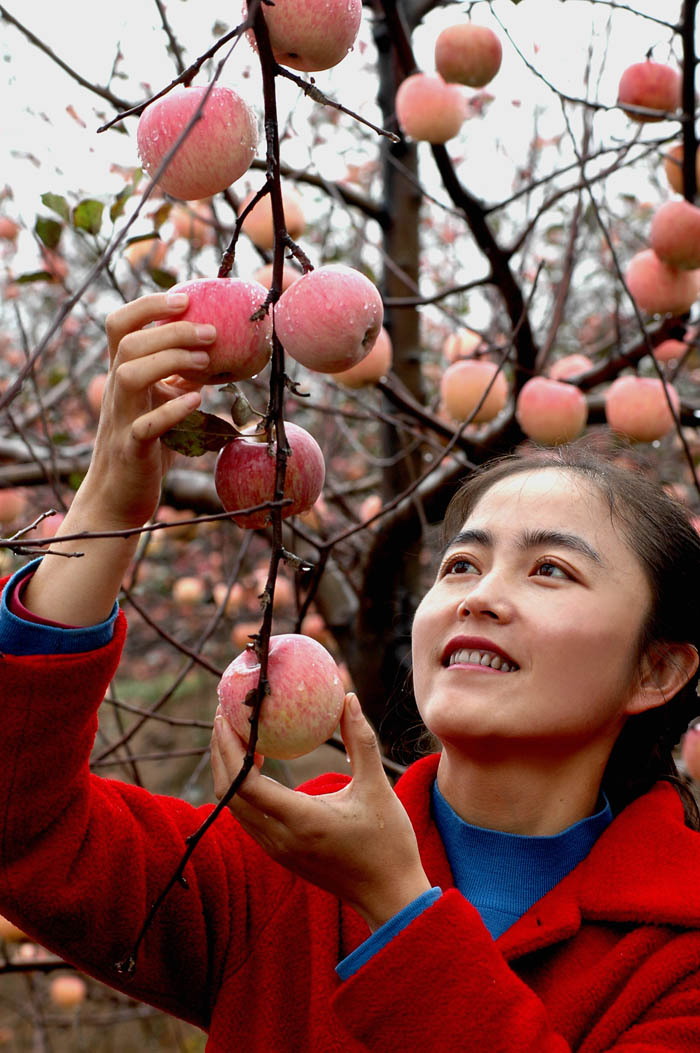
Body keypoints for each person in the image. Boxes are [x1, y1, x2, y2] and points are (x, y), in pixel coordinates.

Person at [1, 291, 700, 1051]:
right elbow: (21, 824)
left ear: (657, 669)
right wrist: (108, 498)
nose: (481, 597)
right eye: (462, 563)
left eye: (552, 569)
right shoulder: (280, 869)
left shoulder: (677, 955)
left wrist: (395, 905)